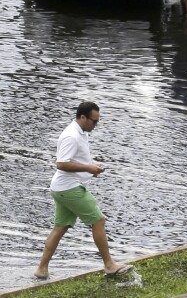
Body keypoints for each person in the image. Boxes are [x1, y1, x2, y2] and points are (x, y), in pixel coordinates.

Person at [34, 101, 132, 280]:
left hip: (62, 188)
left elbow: (75, 159)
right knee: (99, 221)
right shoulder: (71, 136)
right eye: (94, 122)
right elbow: (61, 163)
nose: (96, 125)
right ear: (82, 117)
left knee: (60, 228)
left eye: (97, 122)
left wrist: (91, 165)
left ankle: (41, 269)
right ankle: (110, 265)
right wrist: (88, 169)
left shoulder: (81, 132)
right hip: (69, 189)